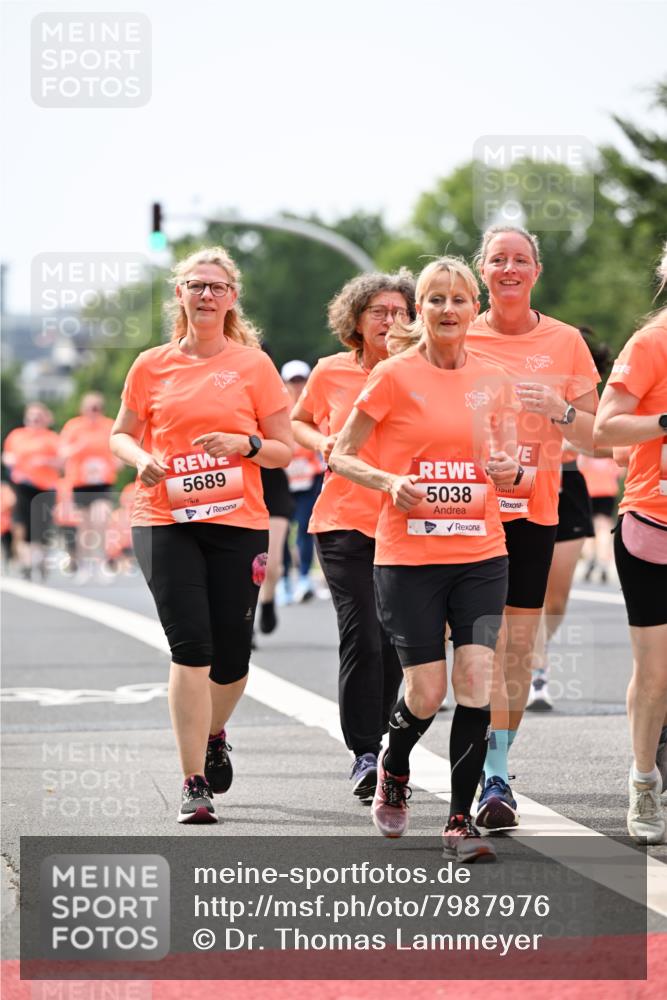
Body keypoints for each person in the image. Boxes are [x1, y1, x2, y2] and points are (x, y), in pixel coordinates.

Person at [330, 256, 520, 860]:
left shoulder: (495, 380)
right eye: (435, 299)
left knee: (475, 680)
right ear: (421, 311)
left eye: (458, 299)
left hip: (481, 553)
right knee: (426, 691)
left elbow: (511, 464)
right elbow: (340, 455)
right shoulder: (392, 376)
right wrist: (388, 481)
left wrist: (507, 470)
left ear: (474, 309)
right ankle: (395, 763)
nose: (447, 309)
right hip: (408, 558)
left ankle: (459, 822)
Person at [110, 246, 293, 824]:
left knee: (231, 657)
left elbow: (285, 450)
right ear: (180, 295)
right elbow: (120, 434)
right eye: (195, 285)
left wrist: (247, 444)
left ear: (232, 298)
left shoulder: (254, 366)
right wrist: (140, 458)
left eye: (216, 286)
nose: (206, 294)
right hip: (164, 518)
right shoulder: (151, 365)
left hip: (237, 521)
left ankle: (214, 732)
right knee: (191, 648)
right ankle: (193, 782)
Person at [466, 226, 600, 828]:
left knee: (516, 649)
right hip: (462, 512)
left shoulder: (565, 342)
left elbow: (597, 437)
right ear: (483, 270)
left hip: (533, 510)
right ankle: (467, 752)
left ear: (536, 271)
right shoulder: (458, 332)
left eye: (521, 259)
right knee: (476, 646)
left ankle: (495, 771)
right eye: (498, 259)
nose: (510, 269)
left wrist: (560, 410)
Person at [291, 269, 415, 801]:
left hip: (407, 522)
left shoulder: (420, 370)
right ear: (356, 321)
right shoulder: (330, 371)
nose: (390, 320)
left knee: (394, 640)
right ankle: (364, 752)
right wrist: (321, 442)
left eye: (400, 312)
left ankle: (383, 733)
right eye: (378, 312)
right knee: (362, 632)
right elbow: (298, 421)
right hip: (343, 520)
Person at [594, 243, 667, 844]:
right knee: (656, 673)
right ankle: (644, 781)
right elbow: (605, 428)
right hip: (654, 527)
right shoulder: (650, 344)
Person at [527, 329, 612, 711]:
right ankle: (535, 669)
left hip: (568, 485)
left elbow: (604, 440)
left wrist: (570, 436)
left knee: (557, 597)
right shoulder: (523, 378)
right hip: (524, 485)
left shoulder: (582, 392)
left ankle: (535, 648)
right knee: (526, 591)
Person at [280, 360, 325, 603]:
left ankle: (305, 578)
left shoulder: (316, 404)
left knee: (306, 529)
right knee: (282, 531)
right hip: (284, 477)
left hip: (310, 476)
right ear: (285, 383)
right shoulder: (277, 405)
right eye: (293, 381)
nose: (297, 385)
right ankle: (285, 580)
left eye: (301, 380)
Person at [59, 392, 119, 573]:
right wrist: (79, 447)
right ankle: (84, 562)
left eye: (97, 408)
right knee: (84, 525)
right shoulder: (73, 426)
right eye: (91, 408)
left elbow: (119, 448)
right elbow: (62, 452)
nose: (94, 412)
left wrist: (119, 460)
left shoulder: (109, 425)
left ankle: (101, 559)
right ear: (83, 409)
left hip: (102, 482)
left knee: (101, 518)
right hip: (80, 483)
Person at [2, 403, 61, 579]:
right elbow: (6, 455)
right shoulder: (17, 435)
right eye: (31, 417)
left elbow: (62, 462)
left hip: (44, 489)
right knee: (21, 525)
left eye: (38, 417)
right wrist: (9, 460)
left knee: (40, 528)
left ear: (44, 419)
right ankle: (26, 563)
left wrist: (46, 461)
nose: (34, 420)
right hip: (22, 486)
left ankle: (40, 560)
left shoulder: (51, 438)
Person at [579, 455, 623, 584]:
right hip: (607, 490)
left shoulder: (586, 450)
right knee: (604, 526)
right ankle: (603, 561)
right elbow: (620, 470)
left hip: (589, 489)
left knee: (589, 527)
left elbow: (580, 466)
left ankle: (590, 558)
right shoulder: (610, 448)